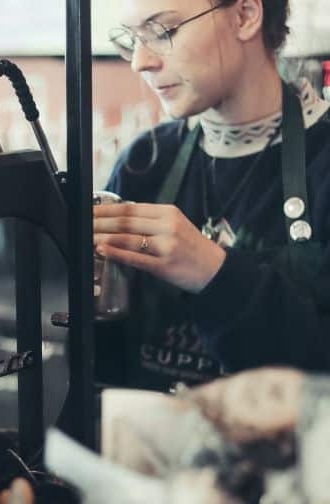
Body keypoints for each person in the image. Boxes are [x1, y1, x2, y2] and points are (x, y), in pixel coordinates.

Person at [94, 0, 330, 392]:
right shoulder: (144, 163)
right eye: (132, 38)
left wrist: (215, 274)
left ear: (245, 16)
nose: (139, 61)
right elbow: (103, 368)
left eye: (162, 31)